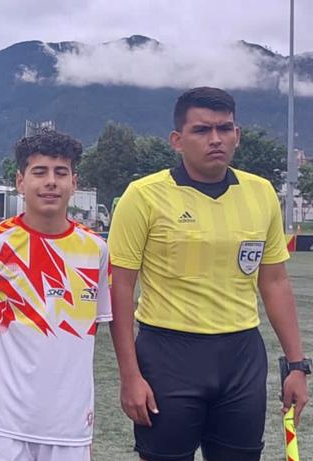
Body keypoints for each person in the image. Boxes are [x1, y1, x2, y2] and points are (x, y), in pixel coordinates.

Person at [108, 87, 310, 461]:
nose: (215, 139)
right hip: (168, 354)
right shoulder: (143, 196)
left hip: (241, 356)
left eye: (224, 128)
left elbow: (274, 281)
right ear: (177, 140)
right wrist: (130, 375)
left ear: (237, 135)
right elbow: (119, 288)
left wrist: (297, 365)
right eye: (202, 130)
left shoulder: (262, 193)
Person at [0, 130, 110, 461]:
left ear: (74, 182)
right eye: (39, 172)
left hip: (69, 422)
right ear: (20, 181)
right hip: (2, 419)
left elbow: (92, 329)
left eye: (60, 172)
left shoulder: (96, 250)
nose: (50, 182)